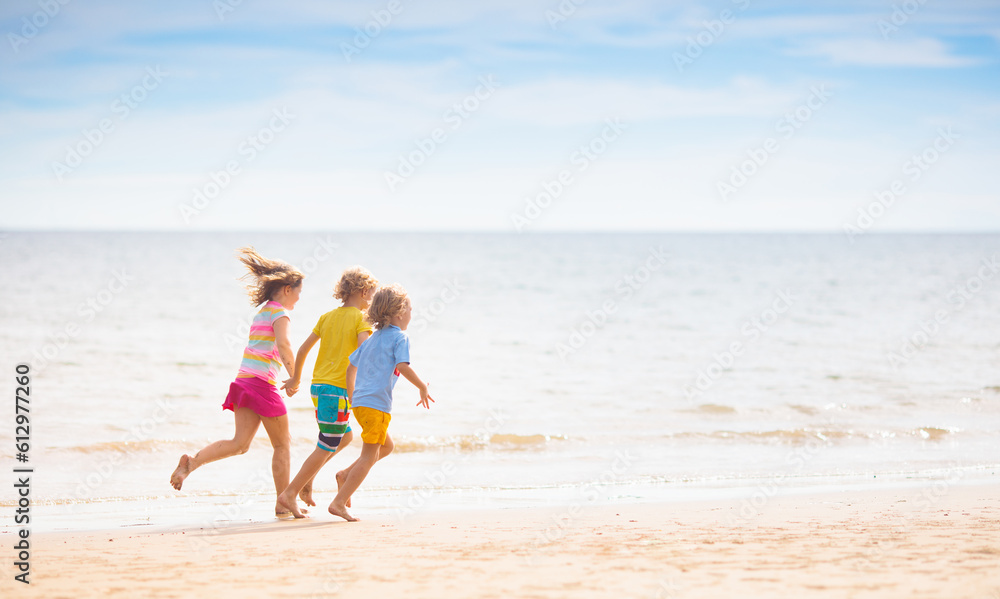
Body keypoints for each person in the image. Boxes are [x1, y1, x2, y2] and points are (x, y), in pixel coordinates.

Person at [170, 247, 303, 518]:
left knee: (240, 444)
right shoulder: (280, 313)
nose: (300, 298)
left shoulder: (263, 312)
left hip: (244, 381)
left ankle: (191, 463)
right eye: (299, 292)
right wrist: (293, 376)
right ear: (287, 289)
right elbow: (284, 343)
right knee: (282, 445)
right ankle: (284, 503)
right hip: (263, 384)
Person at [276, 266, 379, 518]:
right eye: (372, 297)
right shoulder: (361, 319)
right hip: (337, 390)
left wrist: (295, 378)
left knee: (343, 438)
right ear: (365, 292)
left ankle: (306, 480)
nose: (372, 304)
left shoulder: (327, 317)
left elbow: (302, 350)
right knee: (326, 445)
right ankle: (290, 493)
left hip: (318, 387)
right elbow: (363, 353)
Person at [328, 283, 433, 522]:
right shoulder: (400, 338)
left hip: (361, 404)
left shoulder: (371, 340)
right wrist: (422, 386)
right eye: (409, 308)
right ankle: (338, 502)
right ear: (398, 313)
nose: (411, 312)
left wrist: (353, 395)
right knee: (369, 455)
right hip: (376, 405)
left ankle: (345, 475)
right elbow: (402, 366)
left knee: (387, 446)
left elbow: (350, 367)